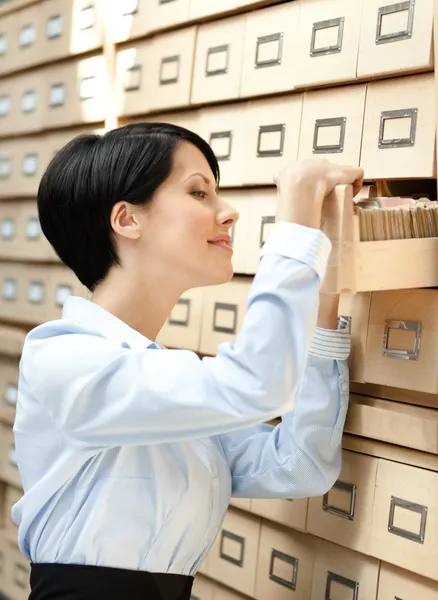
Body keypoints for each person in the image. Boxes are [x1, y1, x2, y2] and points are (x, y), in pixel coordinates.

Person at [12, 123, 363, 600]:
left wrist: (323, 301)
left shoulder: (164, 381)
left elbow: (298, 465)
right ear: (127, 220)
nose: (229, 212)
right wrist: (295, 224)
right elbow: (257, 385)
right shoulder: (65, 358)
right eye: (199, 192)